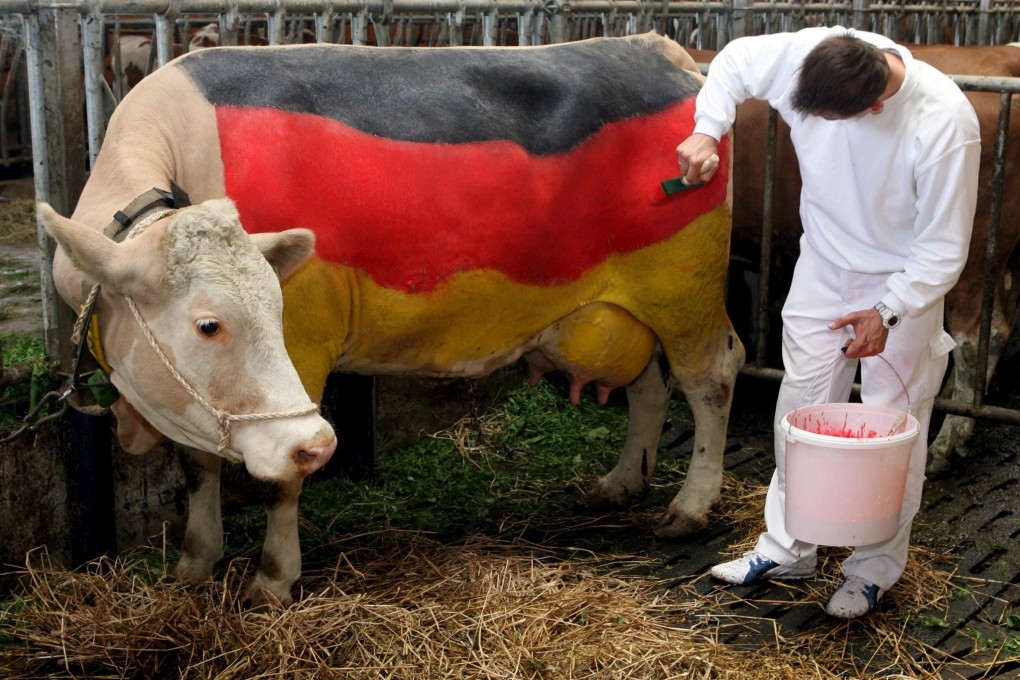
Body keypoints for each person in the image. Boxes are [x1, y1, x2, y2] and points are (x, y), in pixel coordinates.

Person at [676, 26, 980, 619]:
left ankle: (873, 569)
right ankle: (788, 547)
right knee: (800, 408)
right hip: (823, 265)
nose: (808, 125)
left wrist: (889, 310)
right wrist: (706, 127)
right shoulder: (815, 54)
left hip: (902, 285)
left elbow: (944, 246)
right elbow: (736, 59)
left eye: (826, 119)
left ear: (874, 105)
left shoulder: (944, 120)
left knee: (894, 423)